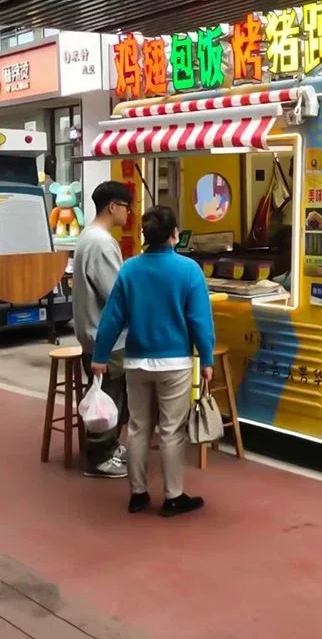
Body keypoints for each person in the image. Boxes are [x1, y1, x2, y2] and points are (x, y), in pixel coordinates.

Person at [91, 205, 215, 518]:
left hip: (136, 361)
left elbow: (112, 318)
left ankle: (138, 494)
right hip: (175, 363)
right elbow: (199, 320)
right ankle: (173, 497)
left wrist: (100, 355)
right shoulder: (188, 270)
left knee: (137, 428)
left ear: (146, 236)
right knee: (172, 430)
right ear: (174, 234)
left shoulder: (130, 269)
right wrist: (208, 357)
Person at [72, 181, 132, 479]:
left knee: (107, 394)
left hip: (92, 332)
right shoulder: (101, 243)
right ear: (113, 207)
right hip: (106, 337)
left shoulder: (89, 237)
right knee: (109, 397)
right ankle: (100, 456)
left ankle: (106, 447)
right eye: (126, 207)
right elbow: (116, 294)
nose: (128, 214)